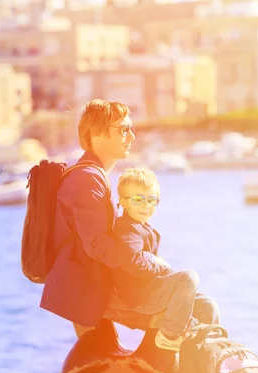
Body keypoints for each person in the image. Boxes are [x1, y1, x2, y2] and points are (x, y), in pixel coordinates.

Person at [39, 99, 220, 342]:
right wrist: (150, 262)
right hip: (95, 291)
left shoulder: (93, 174)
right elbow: (98, 245)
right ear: (97, 133)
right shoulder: (87, 179)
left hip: (108, 283)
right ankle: (185, 368)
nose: (132, 136)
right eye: (123, 129)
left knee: (203, 305)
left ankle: (194, 371)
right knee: (196, 307)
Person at [113, 167, 202, 351]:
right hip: (140, 297)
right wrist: (159, 266)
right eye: (138, 199)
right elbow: (134, 263)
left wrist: (157, 264)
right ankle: (169, 336)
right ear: (123, 202)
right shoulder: (127, 230)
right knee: (188, 278)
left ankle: (205, 342)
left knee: (204, 302)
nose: (146, 206)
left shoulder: (141, 227)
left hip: (150, 289)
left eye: (151, 200)